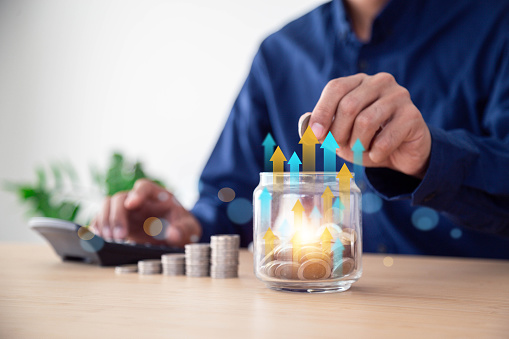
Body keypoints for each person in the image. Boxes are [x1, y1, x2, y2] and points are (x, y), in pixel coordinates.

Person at [91, 0, 509, 259]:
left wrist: (431, 157)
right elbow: (232, 197)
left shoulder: (497, 25)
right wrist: (187, 227)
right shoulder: (279, 54)